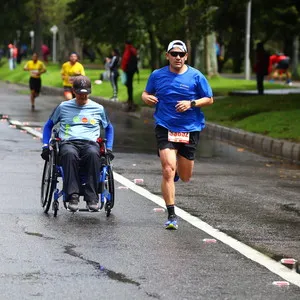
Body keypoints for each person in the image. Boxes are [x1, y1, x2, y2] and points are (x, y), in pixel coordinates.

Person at [141, 40, 214, 230]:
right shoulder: (157, 75)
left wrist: (192, 104)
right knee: (167, 169)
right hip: (165, 126)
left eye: (181, 54)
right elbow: (145, 93)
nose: (178, 58)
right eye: (174, 54)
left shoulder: (196, 76)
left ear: (186, 56)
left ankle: (176, 173)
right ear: (167, 56)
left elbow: (209, 98)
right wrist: (147, 98)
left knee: (186, 175)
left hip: (190, 128)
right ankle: (171, 215)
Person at [41, 76, 115, 212]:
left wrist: (109, 148)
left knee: (93, 154)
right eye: (80, 93)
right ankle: (72, 195)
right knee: (69, 154)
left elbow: (109, 128)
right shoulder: (63, 107)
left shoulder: (98, 108)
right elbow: (48, 126)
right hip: (68, 142)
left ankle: (92, 198)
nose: (83, 96)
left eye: (85, 93)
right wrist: (45, 146)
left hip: (90, 143)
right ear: (73, 91)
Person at [121, 41, 138, 111]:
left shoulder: (128, 50)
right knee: (129, 84)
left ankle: (130, 100)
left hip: (128, 70)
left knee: (129, 85)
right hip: (133, 70)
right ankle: (130, 99)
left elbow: (125, 60)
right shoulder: (133, 50)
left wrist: (123, 69)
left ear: (126, 44)